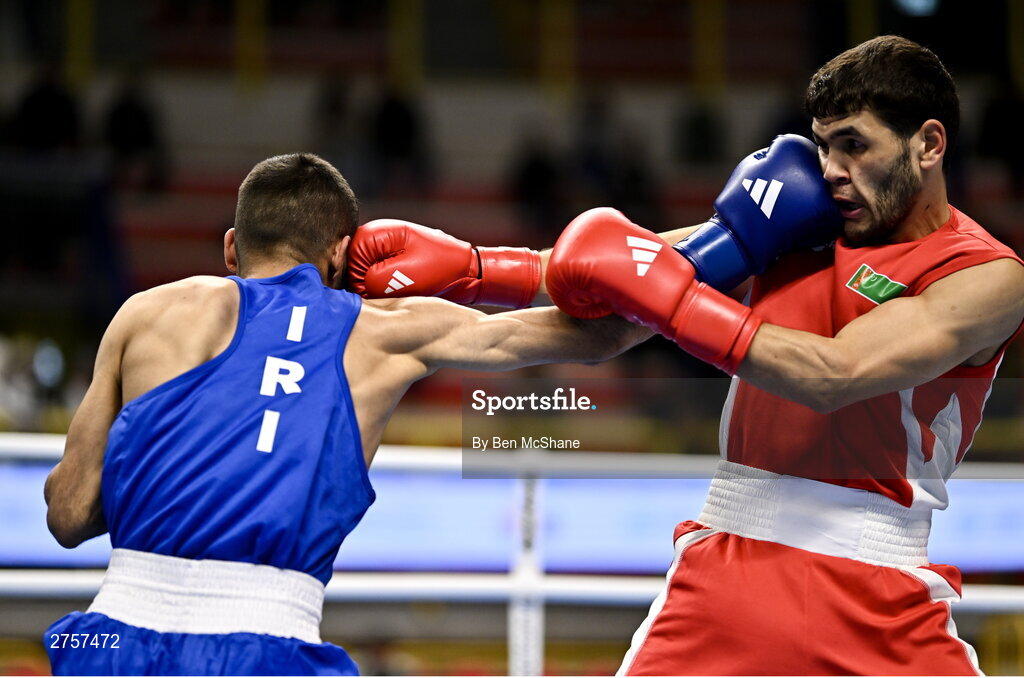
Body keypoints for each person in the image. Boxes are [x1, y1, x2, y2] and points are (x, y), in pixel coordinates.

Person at [351, 36, 1024, 675]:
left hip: (879, 588)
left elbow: (835, 373)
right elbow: (622, 283)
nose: (832, 172)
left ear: (929, 144)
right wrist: (473, 270)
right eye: (823, 145)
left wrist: (674, 301)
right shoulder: (800, 219)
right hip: (727, 565)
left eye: (854, 146)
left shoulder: (985, 276)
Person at [42, 153, 646, 676]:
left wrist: (172, 483)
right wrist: (725, 251)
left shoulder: (142, 315)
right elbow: (602, 333)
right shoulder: (388, 333)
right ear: (341, 255)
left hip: (107, 637)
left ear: (232, 244)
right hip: (269, 647)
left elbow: (68, 515)